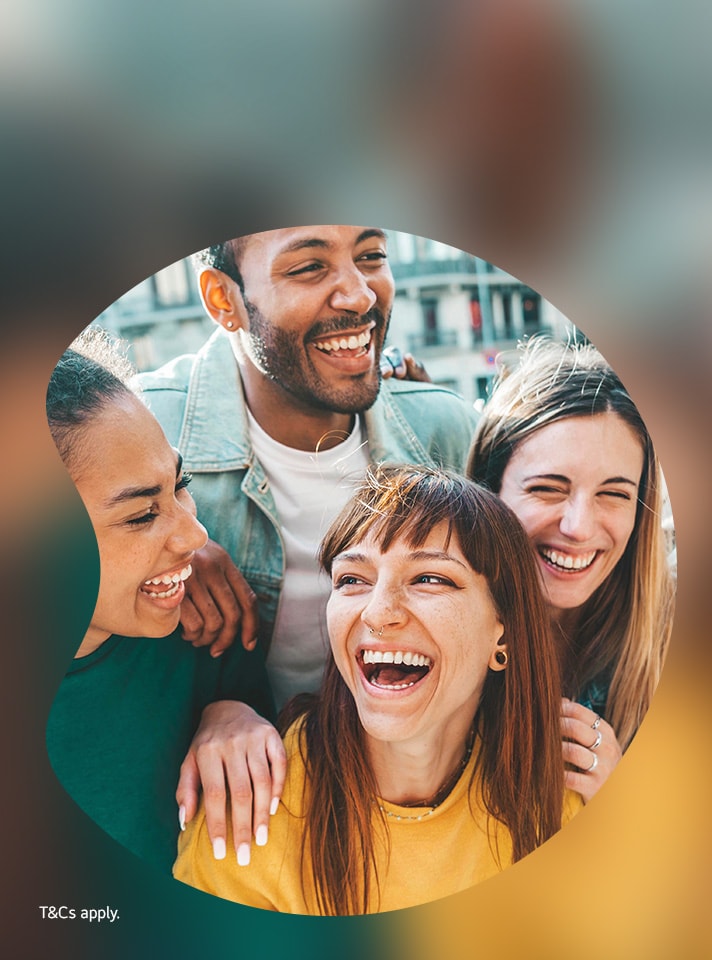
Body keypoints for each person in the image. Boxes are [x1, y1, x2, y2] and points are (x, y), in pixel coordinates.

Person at [134, 225, 478, 855]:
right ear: (223, 301)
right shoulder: (138, 431)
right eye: (309, 267)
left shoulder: (452, 433)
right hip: (228, 834)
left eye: (371, 256)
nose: (358, 295)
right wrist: (160, 541)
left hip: (416, 818)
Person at [174, 465, 581, 913]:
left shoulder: (556, 802)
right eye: (352, 580)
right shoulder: (250, 802)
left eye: (430, 578)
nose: (377, 612)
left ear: (502, 633)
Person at [45, 330, 276, 872]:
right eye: (141, 515)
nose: (196, 536)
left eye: (180, 483)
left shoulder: (204, 625)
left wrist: (237, 713)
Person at [467, 336, 675, 801]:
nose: (579, 527)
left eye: (615, 493)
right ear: (487, 491)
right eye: (548, 488)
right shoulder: (428, 633)